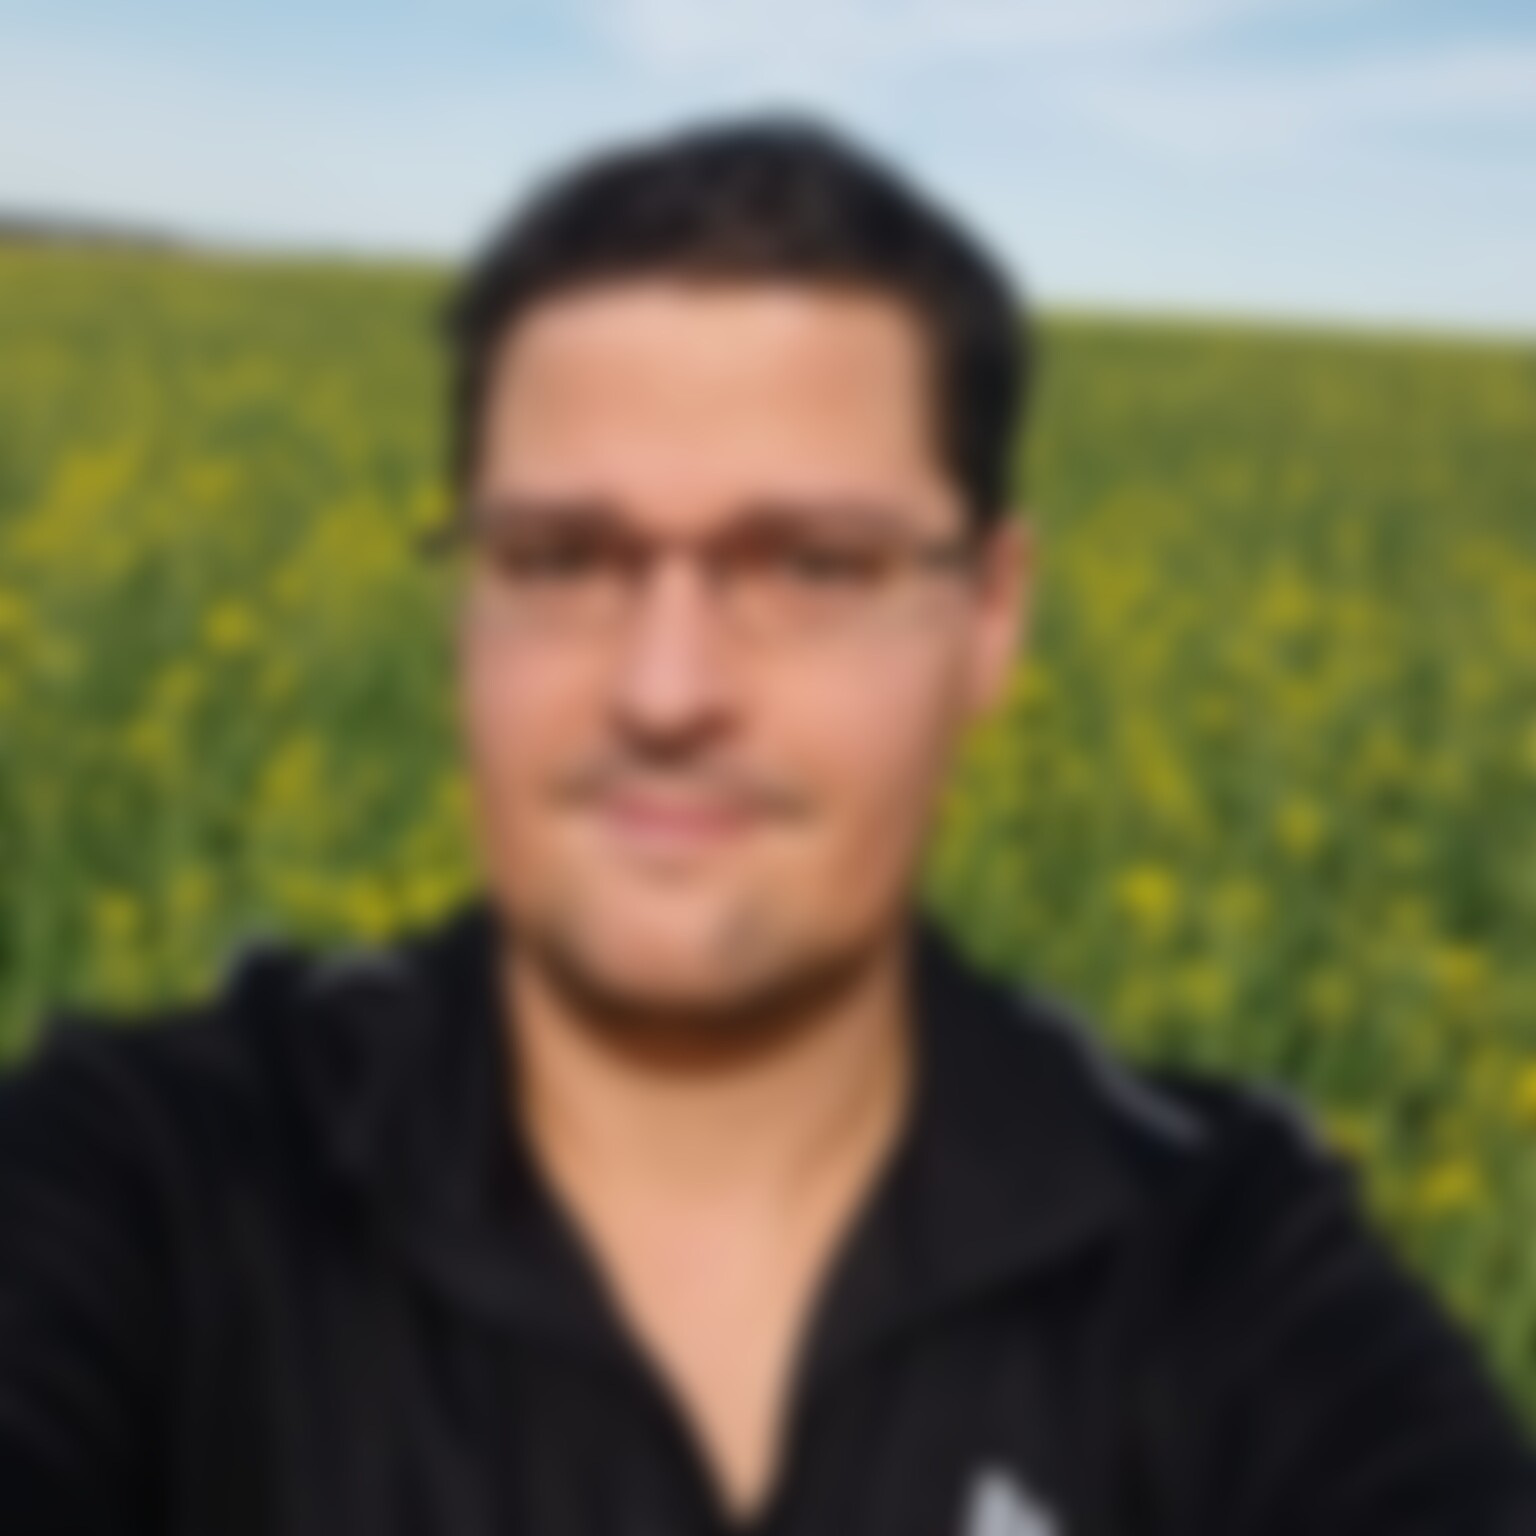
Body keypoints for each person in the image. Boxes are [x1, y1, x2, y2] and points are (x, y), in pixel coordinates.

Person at [1, 113, 1532, 1536]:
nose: (665, 691)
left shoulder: (1226, 1270)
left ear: (991, 619)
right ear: (464, 604)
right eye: (560, 557)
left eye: (814, 566)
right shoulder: (153, 1178)